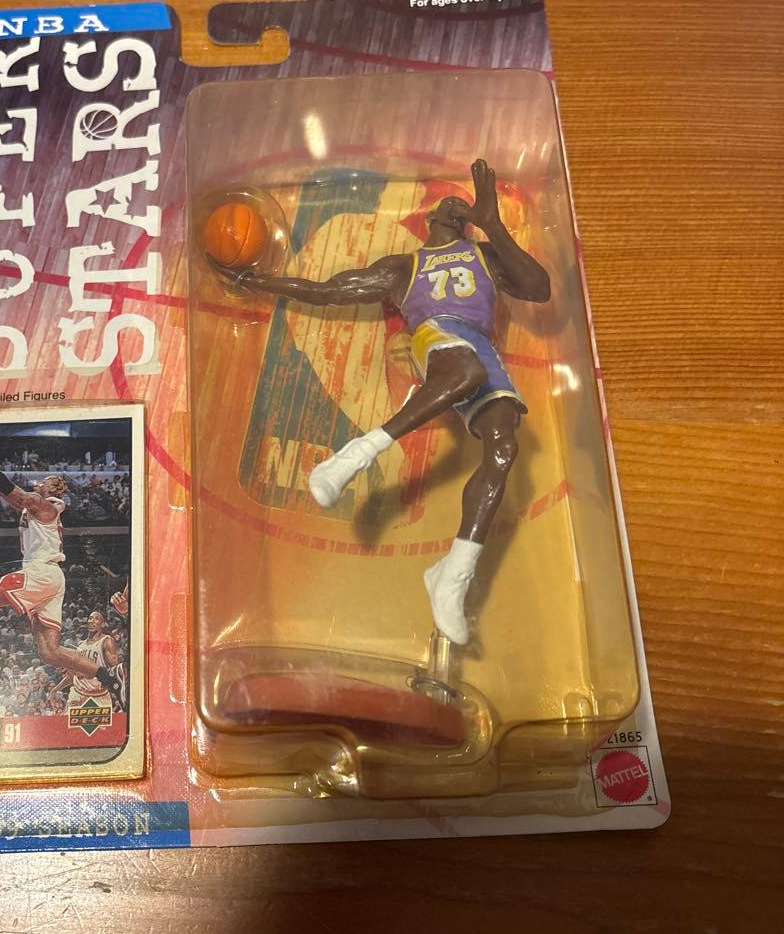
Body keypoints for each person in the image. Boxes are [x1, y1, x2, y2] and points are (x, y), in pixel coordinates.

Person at [210, 159, 549, 645]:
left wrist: (493, 224)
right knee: (466, 370)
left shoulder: (486, 254)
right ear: (431, 219)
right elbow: (326, 291)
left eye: (464, 206)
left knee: (503, 448)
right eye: (449, 204)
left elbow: (539, 288)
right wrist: (255, 282)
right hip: (437, 334)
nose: (457, 207)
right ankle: (357, 454)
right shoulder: (404, 267)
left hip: (480, 343)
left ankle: (452, 572)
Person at [0, 434, 122, 696]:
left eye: (45, 480)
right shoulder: (38, 508)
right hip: (51, 577)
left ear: (52, 489)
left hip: (40, 572)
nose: (39, 481)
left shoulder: (44, 505)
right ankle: (109, 677)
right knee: (49, 652)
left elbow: (10, 491)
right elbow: (6, 492)